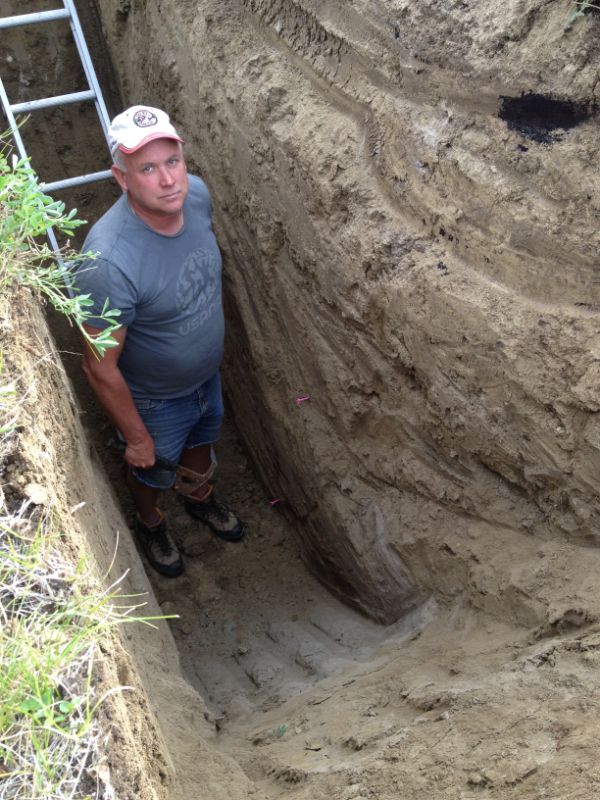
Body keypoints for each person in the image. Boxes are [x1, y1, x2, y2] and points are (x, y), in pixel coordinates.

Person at [73, 104, 244, 578]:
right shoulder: (107, 263)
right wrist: (137, 436)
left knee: (201, 443)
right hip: (152, 400)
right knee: (149, 469)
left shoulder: (197, 198)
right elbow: (99, 367)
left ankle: (199, 497)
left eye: (173, 161)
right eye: (147, 168)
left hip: (205, 377)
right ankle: (151, 522)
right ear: (121, 177)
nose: (168, 179)